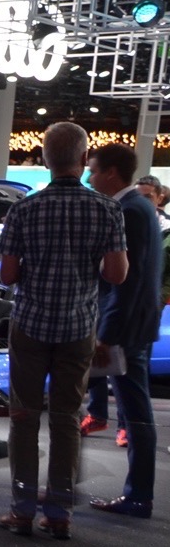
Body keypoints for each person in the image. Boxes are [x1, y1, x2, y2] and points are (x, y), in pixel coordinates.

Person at [0, 122, 129, 540]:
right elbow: (117, 274)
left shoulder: (24, 209)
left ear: (45, 158)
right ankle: (58, 513)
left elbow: (7, 274)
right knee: (67, 419)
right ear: (83, 158)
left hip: (30, 325)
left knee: (23, 417)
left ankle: (21, 510)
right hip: (77, 327)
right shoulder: (107, 209)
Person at [83, 143, 162, 518]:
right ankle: (138, 494)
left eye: (94, 170)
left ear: (111, 173)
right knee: (135, 412)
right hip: (136, 324)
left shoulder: (128, 210)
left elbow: (126, 282)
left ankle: (139, 495)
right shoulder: (140, 207)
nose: (89, 177)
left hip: (127, 328)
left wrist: (107, 335)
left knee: (136, 413)